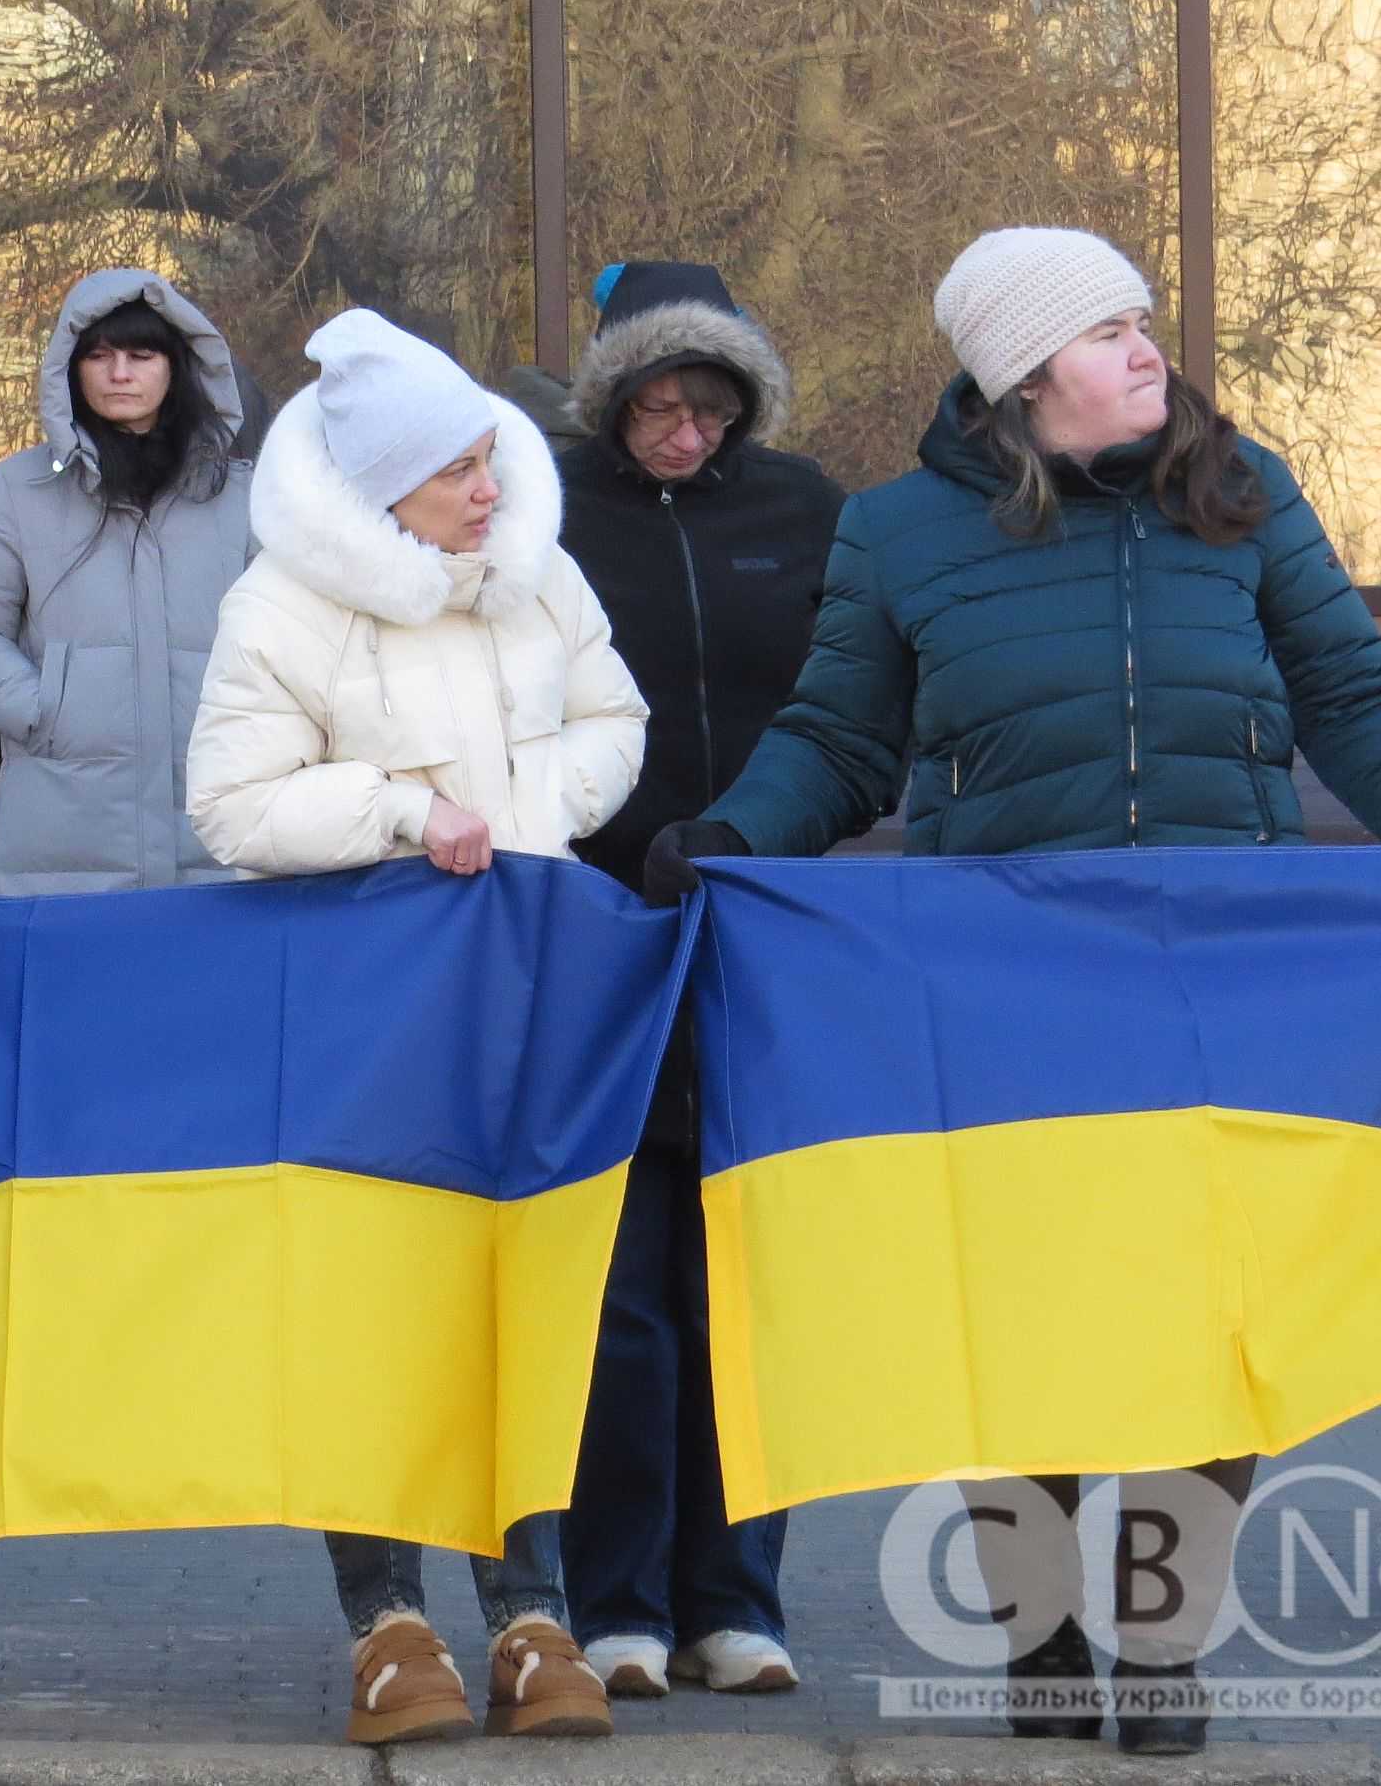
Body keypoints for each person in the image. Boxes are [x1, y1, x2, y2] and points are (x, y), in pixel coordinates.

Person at [645, 227, 1381, 1755]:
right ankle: (1042, 1630)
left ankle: (1162, 1643)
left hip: (1222, 993)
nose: (1146, 350)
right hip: (1008, 995)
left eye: (1141, 322)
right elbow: (842, 739)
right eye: (1106, 330)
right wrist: (730, 834)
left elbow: (1357, 703)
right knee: (1024, 1320)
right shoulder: (899, 532)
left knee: (1210, 1321)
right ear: (1018, 380)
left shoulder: (1243, 499)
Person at [187, 308, 647, 1745]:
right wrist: (403, 814)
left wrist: (528, 816)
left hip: (527, 985)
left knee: (523, 1289)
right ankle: (385, 1627)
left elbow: (611, 720)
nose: (489, 486)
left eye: (488, 457)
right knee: (374, 1306)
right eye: (456, 467)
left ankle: (531, 1615)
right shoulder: (280, 607)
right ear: (383, 487)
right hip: (368, 1006)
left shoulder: (534, 577)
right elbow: (230, 807)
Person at [554, 260, 844, 1702]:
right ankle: (612, 1598)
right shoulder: (547, 513)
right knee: (622, 1286)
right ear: (612, 401)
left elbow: (859, 702)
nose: (682, 434)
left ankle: (735, 1597)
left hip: (763, 922)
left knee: (744, 1267)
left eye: (707, 407)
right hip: (600, 928)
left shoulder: (803, 510)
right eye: (655, 405)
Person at [0, 270, 255, 894]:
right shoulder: (16, 491)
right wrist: (46, 710)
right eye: (99, 356)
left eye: (141, 354)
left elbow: (293, 636)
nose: (120, 373)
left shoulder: (242, 497)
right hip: (64, 829)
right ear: (69, 369)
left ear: (178, 366)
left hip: (219, 822)